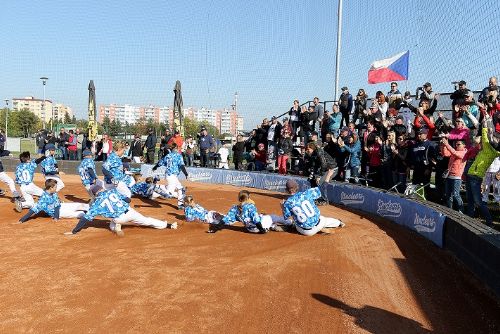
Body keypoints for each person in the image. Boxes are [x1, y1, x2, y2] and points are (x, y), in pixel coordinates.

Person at [64, 187, 177, 236]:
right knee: (146, 221)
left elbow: (85, 218)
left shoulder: (96, 204)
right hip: (130, 212)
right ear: (102, 189)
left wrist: (74, 231)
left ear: (95, 194)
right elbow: (128, 199)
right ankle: (168, 225)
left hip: (119, 218)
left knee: (113, 224)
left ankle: (116, 228)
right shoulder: (112, 191)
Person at [466, 116, 499, 226]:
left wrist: (487, 126)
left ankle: (489, 222)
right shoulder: (488, 147)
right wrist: (486, 124)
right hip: (470, 174)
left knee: (478, 202)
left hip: (476, 177)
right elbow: (486, 137)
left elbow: (486, 139)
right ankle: (469, 219)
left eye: (495, 138)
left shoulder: (493, 151)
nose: (492, 138)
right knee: (470, 199)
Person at [209, 190, 283, 234]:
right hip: (258, 228)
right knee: (273, 216)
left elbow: (225, 220)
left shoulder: (234, 208)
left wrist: (215, 229)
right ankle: (290, 223)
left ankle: (272, 226)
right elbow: (256, 220)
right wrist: (262, 230)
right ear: (247, 198)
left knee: (262, 216)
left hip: (250, 229)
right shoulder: (250, 206)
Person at [18, 179, 89, 223]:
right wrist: (21, 220)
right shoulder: (43, 200)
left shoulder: (53, 192)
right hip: (59, 213)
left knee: (79, 205)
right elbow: (32, 211)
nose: (56, 188)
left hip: (62, 206)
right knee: (81, 214)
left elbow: (57, 205)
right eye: (55, 187)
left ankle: (93, 208)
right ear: (51, 188)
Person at [152, 142, 188, 209]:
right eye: (177, 148)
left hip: (169, 175)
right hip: (172, 176)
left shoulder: (167, 156)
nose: (178, 149)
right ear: (175, 148)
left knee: (181, 188)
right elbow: (182, 165)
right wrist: (186, 173)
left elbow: (160, 163)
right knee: (169, 194)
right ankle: (155, 190)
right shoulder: (178, 156)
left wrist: (155, 167)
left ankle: (180, 204)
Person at [440, 138, 467, 212]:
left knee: (456, 195)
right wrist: (443, 145)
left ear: (464, 145)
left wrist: (447, 144)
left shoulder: (464, 153)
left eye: (459, 144)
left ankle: (461, 211)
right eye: (456, 144)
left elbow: (454, 153)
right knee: (448, 195)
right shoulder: (455, 151)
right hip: (449, 176)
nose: (456, 145)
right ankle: (450, 211)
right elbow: (445, 153)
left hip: (457, 177)